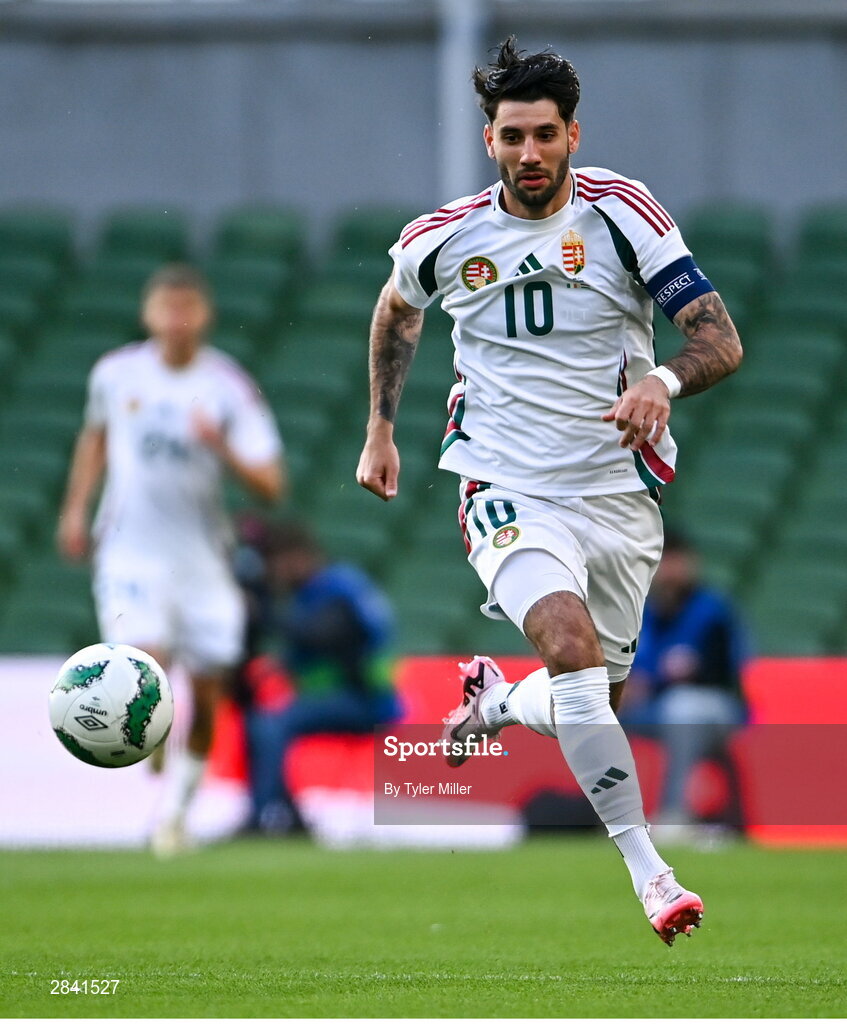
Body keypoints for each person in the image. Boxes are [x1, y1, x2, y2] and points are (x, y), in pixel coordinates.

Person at [357, 38, 742, 944]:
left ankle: (494, 702)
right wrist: (380, 427)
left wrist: (663, 383)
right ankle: (653, 876)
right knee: (567, 649)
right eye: (509, 137)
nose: (528, 153)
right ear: (487, 141)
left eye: (543, 135)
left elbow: (718, 340)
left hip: (614, 494)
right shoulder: (444, 237)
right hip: (503, 481)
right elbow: (396, 309)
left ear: (572, 134)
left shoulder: (623, 216)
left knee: (590, 703)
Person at [57, 263, 285, 856]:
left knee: (207, 692)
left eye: (188, 308)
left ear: (204, 315)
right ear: (148, 313)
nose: (177, 319)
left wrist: (221, 447)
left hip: (203, 559)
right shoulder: (115, 373)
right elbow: (96, 437)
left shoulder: (229, 388)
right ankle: (151, 725)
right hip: (130, 552)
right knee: (145, 660)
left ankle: (175, 816)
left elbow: (270, 484)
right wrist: (75, 510)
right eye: (167, 307)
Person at [243, 520, 402, 834]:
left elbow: (323, 636)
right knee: (259, 722)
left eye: (278, 563)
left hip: (367, 701)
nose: (275, 573)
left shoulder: (337, 588)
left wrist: (263, 613)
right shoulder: (320, 591)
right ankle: (289, 817)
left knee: (271, 724)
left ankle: (264, 817)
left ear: (297, 557)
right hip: (346, 696)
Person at [620, 529, 749, 837]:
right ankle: (611, 815)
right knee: (602, 712)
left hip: (717, 706)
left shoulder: (712, 610)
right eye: (663, 561)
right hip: (654, 706)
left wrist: (663, 680)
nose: (669, 570)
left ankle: (676, 813)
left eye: (676, 560)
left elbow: (723, 672)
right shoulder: (644, 611)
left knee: (684, 708)